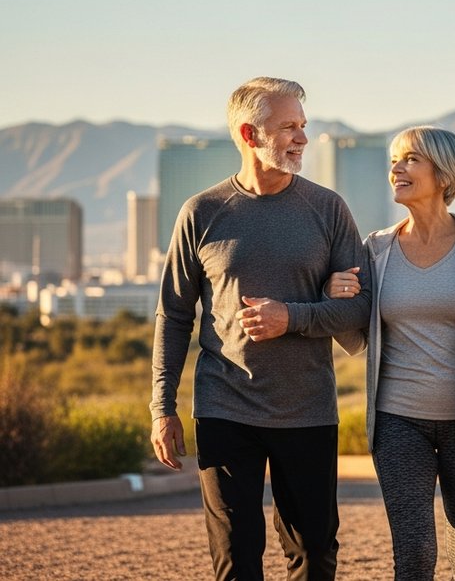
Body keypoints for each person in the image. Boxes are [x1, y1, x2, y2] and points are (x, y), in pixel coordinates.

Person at [149, 77, 371, 581]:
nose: (302, 138)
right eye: (288, 127)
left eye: (303, 126)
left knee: (314, 555)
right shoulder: (201, 213)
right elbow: (174, 317)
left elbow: (359, 313)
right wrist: (162, 408)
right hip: (224, 407)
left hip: (308, 409)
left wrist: (291, 316)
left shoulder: (328, 208)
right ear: (250, 134)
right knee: (235, 558)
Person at [326, 125, 455, 580]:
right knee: (414, 555)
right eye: (394, 160)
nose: (396, 168)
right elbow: (357, 340)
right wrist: (338, 303)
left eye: (410, 159)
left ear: (445, 173)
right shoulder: (375, 250)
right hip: (397, 422)